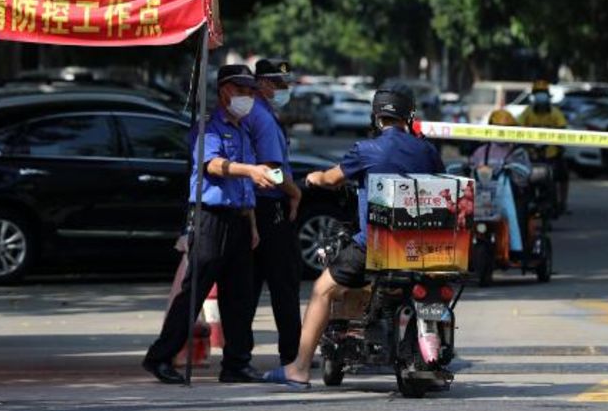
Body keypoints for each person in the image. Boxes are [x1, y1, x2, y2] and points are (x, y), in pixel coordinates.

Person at [262, 88, 444, 388]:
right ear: (408, 117)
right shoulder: (427, 151)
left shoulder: (366, 149)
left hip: (377, 246)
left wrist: (311, 179)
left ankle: (300, 368)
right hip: (427, 249)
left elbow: (331, 179)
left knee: (322, 289)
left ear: (376, 117)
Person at [142, 65, 277, 385]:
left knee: (240, 297)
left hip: (240, 220)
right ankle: (160, 357)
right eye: (242, 91)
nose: (247, 97)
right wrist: (251, 170)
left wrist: (253, 224)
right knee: (194, 291)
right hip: (211, 219)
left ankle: (237, 363)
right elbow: (213, 165)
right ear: (224, 92)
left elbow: (247, 189)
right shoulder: (209, 129)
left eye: (250, 92)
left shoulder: (243, 130)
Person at [244, 58, 304, 366]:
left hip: (254, 206)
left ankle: (239, 355)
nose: (285, 89)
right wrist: (295, 192)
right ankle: (292, 354)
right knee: (284, 282)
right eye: (279, 84)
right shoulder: (263, 118)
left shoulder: (257, 112)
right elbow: (272, 169)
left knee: (251, 283)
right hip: (269, 206)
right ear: (263, 84)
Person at [469, 109, 531, 254]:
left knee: (521, 211)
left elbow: (525, 174)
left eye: (506, 129)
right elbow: (471, 168)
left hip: (511, 198)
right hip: (482, 196)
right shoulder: (481, 151)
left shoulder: (518, 152)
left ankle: (516, 247)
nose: (502, 133)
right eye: (498, 128)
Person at [517, 80, 569, 214]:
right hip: (531, 154)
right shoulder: (527, 113)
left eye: (543, 93)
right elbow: (518, 130)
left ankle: (562, 203)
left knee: (563, 175)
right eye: (538, 93)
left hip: (551, 154)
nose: (541, 96)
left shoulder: (555, 113)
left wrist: (559, 146)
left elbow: (562, 129)